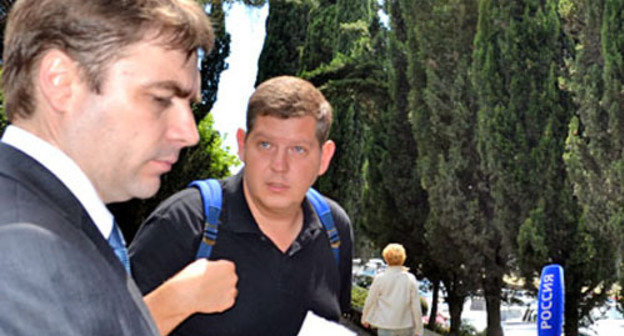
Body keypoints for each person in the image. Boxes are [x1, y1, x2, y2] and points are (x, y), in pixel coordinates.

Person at [0, 1, 237, 335]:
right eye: (160, 98)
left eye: (189, 104)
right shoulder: (19, 248)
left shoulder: (65, 229)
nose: (189, 133)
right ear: (61, 82)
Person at [129, 75, 354, 336]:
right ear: (242, 145)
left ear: (324, 158)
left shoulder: (334, 229)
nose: (279, 165)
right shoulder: (186, 221)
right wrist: (174, 301)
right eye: (266, 145)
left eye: (298, 150)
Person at [361, 243, 424, 336]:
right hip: (405, 325)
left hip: (385, 324)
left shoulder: (380, 278)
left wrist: (365, 318)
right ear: (403, 258)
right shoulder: (410, 279)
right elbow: (416, 306)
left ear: (386, 258)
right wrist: (419, 329)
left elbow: (371, 300)